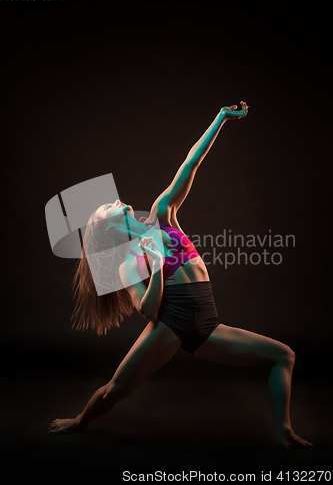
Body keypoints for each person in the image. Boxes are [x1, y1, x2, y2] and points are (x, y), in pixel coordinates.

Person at [48, 102, 312, 450]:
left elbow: (192, 164)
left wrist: (220, 119)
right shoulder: (129, 261)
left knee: (284, 355)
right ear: (107, 224)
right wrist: (157, 268)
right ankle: (81, 420)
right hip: (172, 325)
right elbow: (149, 311)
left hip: (206, 323)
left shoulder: (161, 216)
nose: (114, 201)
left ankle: (284, 432)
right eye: (106, 207)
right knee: (116, 389)